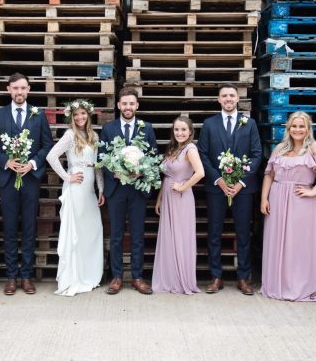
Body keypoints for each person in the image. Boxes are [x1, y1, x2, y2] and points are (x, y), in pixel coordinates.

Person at [0, 72, 53, 295]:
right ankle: (11, 277)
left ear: (29, 89)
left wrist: (32, 164)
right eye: (15, 88)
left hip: (30, 180)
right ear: (8, 90)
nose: (19, 92)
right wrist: (6, 162)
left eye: (23, 88)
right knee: (10, 228)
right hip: (7, 180)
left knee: (30, 227)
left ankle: (27, 277)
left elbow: (47, 145)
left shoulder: (38, 114)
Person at [260, 111, 316, 301]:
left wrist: (313, 191)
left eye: (302, 126)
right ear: (288, 128)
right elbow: (269, 174)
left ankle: (299, 286)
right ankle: (278, 283)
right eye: (294, 126)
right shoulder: (280, 148)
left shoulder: (315, 148)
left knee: (299, 244)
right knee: (278, 241)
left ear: (308, 128)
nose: (297, 129)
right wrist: (264, 198)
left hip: (301, 201)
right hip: (277, 198)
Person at [198, 83, 262, 295]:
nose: (228, 99)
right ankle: (216, 277)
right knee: (214, 232)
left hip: (243, 189)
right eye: (224, 95)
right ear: (219, 99)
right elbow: (203, 155)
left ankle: (243, 278)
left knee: (243, 233)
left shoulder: (250, 124)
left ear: (237, 99)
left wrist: (241, 182)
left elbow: (256, 154)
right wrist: (219, 180)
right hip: (216, 188)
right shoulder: (209, 124)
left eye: (231, 95)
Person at [98, 87, 158, 295]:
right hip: (116, 190)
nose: (128, 107)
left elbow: (153, 155)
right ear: (118, 105)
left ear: (137, 105)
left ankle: (137, 277)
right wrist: (113, 171)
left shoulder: (146, 128)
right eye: (124, 103)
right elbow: (101, 156)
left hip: (138, 190)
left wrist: (142, 171)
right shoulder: (108, 128)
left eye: (131, 103)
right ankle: (116, 277)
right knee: (116, 235)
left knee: (137, 235)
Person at [45, 99, 104, 296]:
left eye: (83, 113)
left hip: (90, 191)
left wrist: (101, 189)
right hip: (76, 188)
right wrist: (67, 177)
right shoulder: (70, 135)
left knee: (92, 231)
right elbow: (51, 156)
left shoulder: (94, 135)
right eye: (76, 114)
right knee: (76, 233)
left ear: (88, 115)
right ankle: (74, 276)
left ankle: (89, 273)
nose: (80, 117)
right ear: (71, 117)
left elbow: (97, 166)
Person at [152, 116, 204, 294]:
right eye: (176, 129)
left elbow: (200, 173)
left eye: (183, 130)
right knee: (169, 237)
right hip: (168, 197)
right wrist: (160, 198)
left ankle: (182, 280)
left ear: (190, 132)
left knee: (181, 238)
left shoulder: (190, 149)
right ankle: (170, 278)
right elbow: (167, 176)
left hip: (181, 198)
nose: (179, 133)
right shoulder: (174, 148)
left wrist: (183, 186)